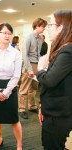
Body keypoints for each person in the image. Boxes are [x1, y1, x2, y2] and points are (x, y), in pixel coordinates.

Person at [37, 10, 72, 150]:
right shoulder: (62, 49)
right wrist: (42, 105)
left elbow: (50, 80)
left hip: (59, 115)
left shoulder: (67, 51)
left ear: (61, 27)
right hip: (53, 110)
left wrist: (39, 69)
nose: (47, 28)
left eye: (51, 24)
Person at [18, 18, 47, 119]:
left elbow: (39, 54)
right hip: (29, 64)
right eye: (43, 26)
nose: (44, 28)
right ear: (37, 26)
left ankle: (32, 106)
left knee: (34, 87)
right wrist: (29, 69)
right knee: (24, 88)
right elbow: (24, 55)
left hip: (37, 65)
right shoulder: (28, 37)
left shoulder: (40, 39)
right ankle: (21, 109)